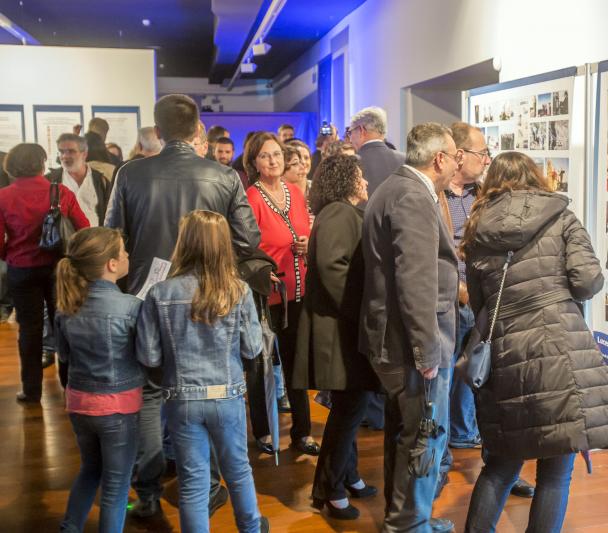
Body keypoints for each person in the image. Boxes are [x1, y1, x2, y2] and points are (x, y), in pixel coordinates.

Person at [105, 93, 260, 518]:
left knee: (151, 394)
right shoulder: (223, 176)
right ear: (197, 132)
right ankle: (207, 484)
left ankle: (151, 492)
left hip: (144, 295)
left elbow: (111, 237)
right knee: (208, 382)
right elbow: (250, 241)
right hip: (212, 293)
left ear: (157, 131)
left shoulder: (130, 173)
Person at [461, 152, 608, 533]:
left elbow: (479, 303)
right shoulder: (560, 215)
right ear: (535, 177)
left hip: (506, 350)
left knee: (501, 465)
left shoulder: (478, 227)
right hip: (560, 347)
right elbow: (588, 281)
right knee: (556, 474)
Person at [137, 210, 269, 533]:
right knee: (238, 470)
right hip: (227, 396)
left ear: (184, 242)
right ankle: (251, 528)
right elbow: (253, 349)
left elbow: (149, 356)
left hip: (180, 399)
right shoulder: (239, 291)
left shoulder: (160, 293)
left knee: (193, 481)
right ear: (224, 245)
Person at [359, 123, 460, 533]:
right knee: (423, 435)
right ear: (439, 159)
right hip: (409, 344)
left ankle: (405, 518)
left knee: (406, 434)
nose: (456, 164)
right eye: (455, 156)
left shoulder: (395, 187)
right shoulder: (413, 196)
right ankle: (409, 525)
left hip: (396, 340)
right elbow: (415, 282)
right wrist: (427, 353)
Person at [436, 123, 535, 500]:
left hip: (486, 307)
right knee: (444, 384)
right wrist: (459, 291)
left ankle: (504, 470)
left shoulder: (487, 197)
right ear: (459, 155)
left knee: (492, 388)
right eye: (481, 153)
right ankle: (439, 469)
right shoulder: (435, 196)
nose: (487, 159)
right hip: (447, 304)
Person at [294, 155, 379, 520]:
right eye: (359, 175)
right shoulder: (340, 214)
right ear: (346, 180)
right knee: (348, 410)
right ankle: (330, 489)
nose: (364, 180)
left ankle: (349, 476)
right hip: (339, 332)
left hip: (341, 328)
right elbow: (333, 269)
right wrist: (362, 310)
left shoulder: (338, 213)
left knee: (351, 408)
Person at [55, 227, 143, 532]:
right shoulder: (131, 307)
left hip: (79, 403)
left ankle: (70, 527)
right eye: (123, 251)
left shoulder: (66, 307)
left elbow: (64, 357)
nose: (128, 255)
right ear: (112, 264)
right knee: (117, 488)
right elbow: (146, 355)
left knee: (90, 470)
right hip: (119, 408)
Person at [244, 131, 320, 456]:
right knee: (261, 366)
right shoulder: (252, 197)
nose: (273, 160)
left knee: (297, 365)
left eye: (277, 154)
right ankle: (263, 432)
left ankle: (302, 432)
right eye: (265, 156)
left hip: (299, 294)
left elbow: (306, 229)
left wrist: (307, 243)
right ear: (254, 162)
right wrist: (268, 263)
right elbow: (248, 247)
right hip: (267, 295)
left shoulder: (294, 192)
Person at [0, 143, 89, 403]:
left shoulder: (4, 196)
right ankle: (69, 385)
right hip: (58, 269)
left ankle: (31, 390)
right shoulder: (60, 192)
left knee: (29, 329)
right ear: (42, 163)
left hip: (21, 269)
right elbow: (83, 230)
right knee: (63, 326)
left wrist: (10, 255)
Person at [47, 133, 112, 228]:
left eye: (71, 151)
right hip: (64, 240)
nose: (65, 156)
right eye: (61, 151)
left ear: (84, 154)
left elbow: (110, 212)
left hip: (95, 238)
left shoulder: (101, 180)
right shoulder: (51, 180)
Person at [348, 106, 405, 198]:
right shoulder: (405, 160)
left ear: (361, 130)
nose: (350, 139)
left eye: (350, 132)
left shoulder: (350, 163)